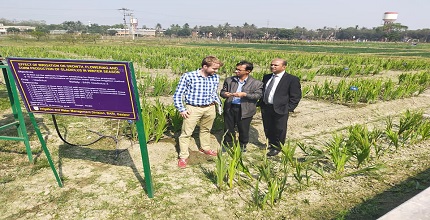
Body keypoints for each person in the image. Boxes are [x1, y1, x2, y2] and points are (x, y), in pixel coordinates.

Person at [173, 56, 223, 168]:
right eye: (214, 68)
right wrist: (181, 109)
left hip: (210, 107)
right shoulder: (189, 76)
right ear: (205, 66)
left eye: (217, 69)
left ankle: (205, 148)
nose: (216, 71)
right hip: (193, 108)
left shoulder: (215, 77)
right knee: (186, 133)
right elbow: (178, 94)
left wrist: (218, 104)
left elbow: (214, 92)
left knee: (206, 129)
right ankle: (183, 156)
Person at [258, 58, 302, 156]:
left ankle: (277, 147)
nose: (272, 66)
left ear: (284, 67)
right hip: (266, 106)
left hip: (281, 108)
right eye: (271, 64)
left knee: (279, 128)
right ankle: (271, 143)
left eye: (275, 65)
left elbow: (296, 96)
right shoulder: (267, 77)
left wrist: (289, 108)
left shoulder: (291, 79)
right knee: (268, 127)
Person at [220, 61, 263, 152]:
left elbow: (258, 96)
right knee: (228, 127)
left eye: (239, 70)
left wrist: (244, 94)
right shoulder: (229, 80)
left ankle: (242, 145)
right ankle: (228, 144)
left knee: (243, 128)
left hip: (245, 109)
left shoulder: (256, 83)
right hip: (230, 107)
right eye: (236, 69)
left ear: (248, 71)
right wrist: (225, 94)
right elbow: (222, 92)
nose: (236, 71)